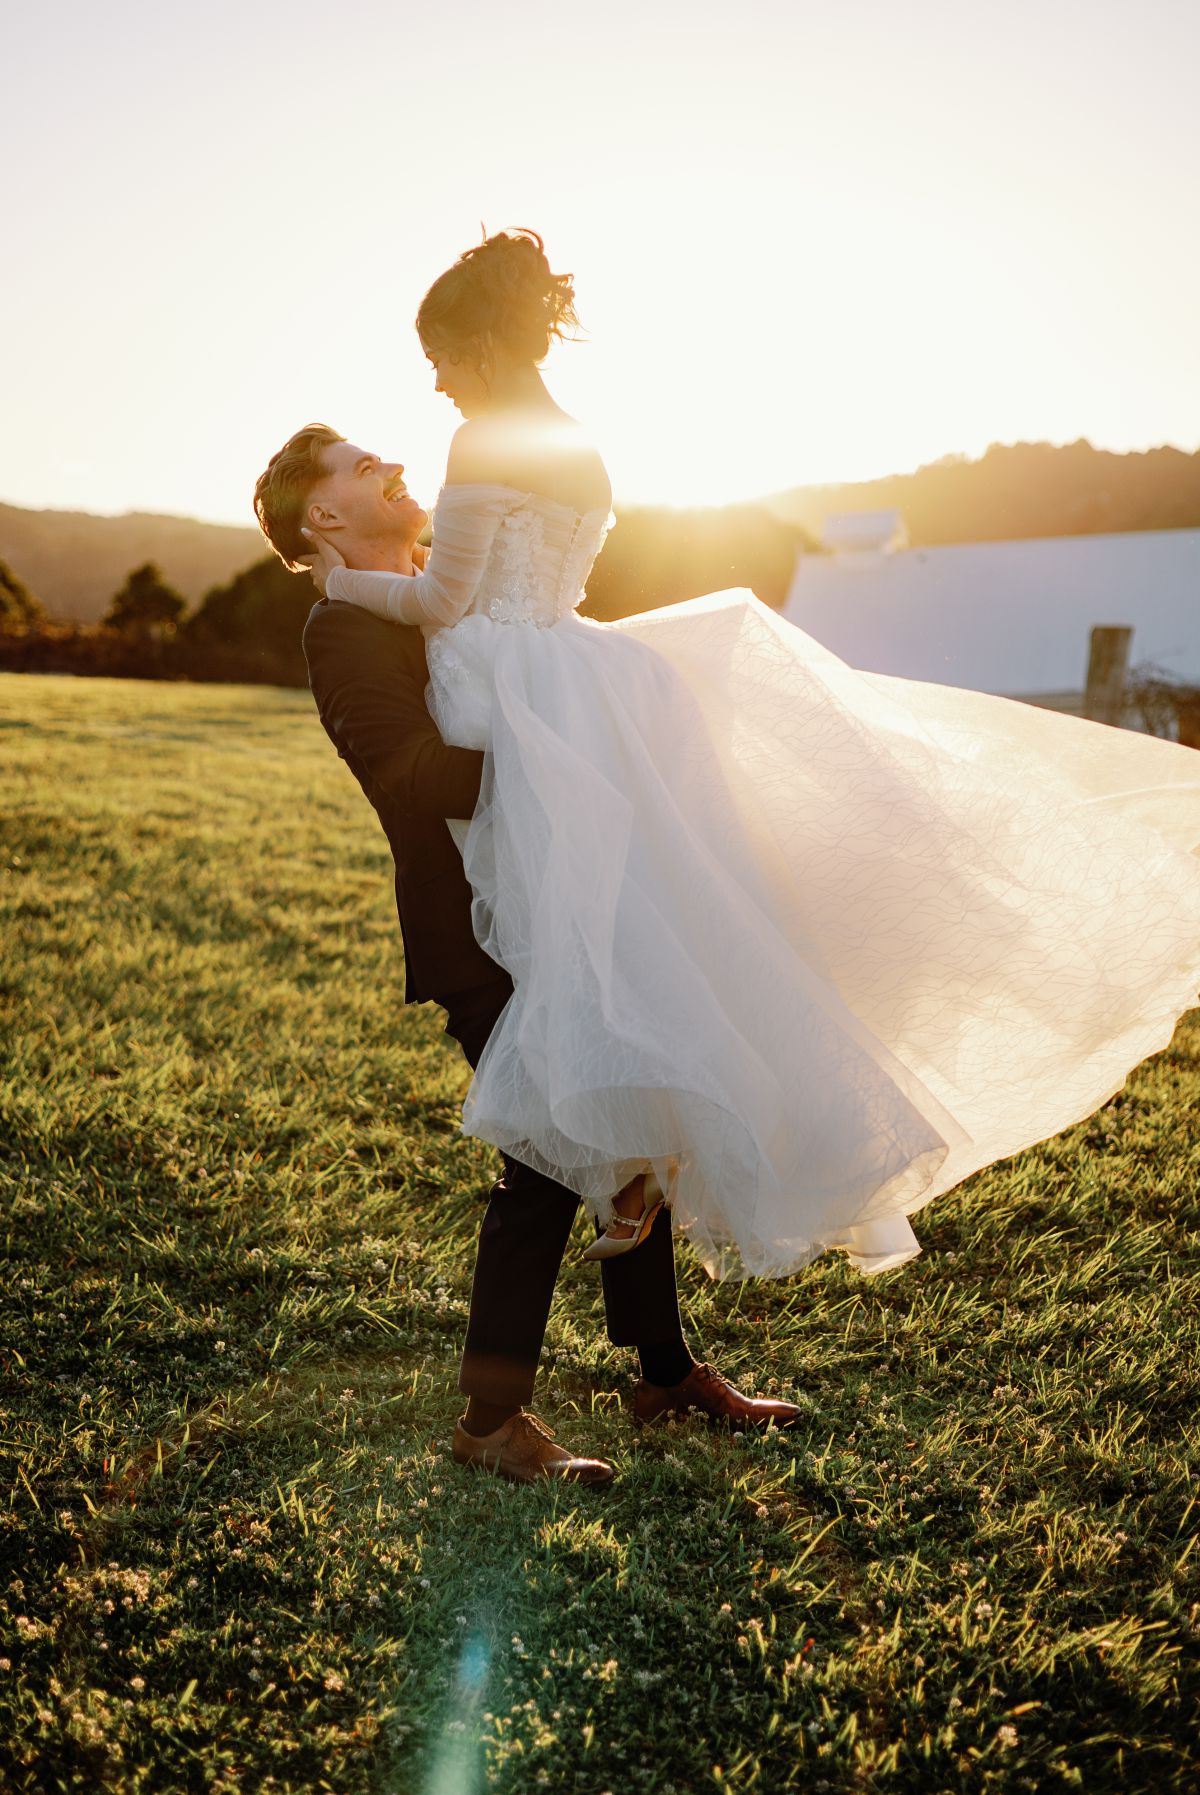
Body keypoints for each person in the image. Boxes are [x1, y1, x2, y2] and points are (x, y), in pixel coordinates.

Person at [298, 227, 1200, 1291]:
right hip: (584, 669)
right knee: (635, 934)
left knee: (561, 932)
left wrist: (339, 583)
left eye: (441, 355)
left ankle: (620, 1171)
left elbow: (445, 599)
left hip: (513, 690)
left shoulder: (479, 442)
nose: (438, 380)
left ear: (479, 344)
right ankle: (641, 1164)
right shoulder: (577, 445)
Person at [253, 423, 803, 1488]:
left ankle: (663, 1375)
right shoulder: (342, 629)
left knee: (630, 1101)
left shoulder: (440, 590)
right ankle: (490, 1421)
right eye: (362, 468)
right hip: (475, 932)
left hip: (557, 902)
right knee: (548, 1159)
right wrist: (572, 765)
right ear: (322, 516)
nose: (391, 467)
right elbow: (405, 770)